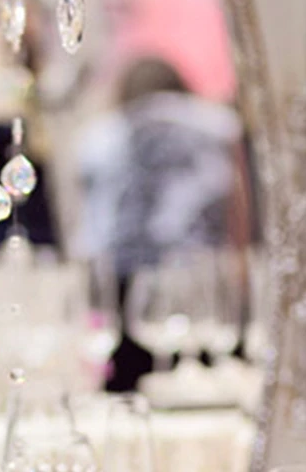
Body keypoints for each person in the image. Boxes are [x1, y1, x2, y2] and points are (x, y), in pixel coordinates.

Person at [74, 57, 242, 391]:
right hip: (202, 276)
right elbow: (235, 204)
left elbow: (91, 222)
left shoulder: (100, 136)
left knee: (131, 389)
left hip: (127, 282)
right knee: (207, 387)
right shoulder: (219, 127)